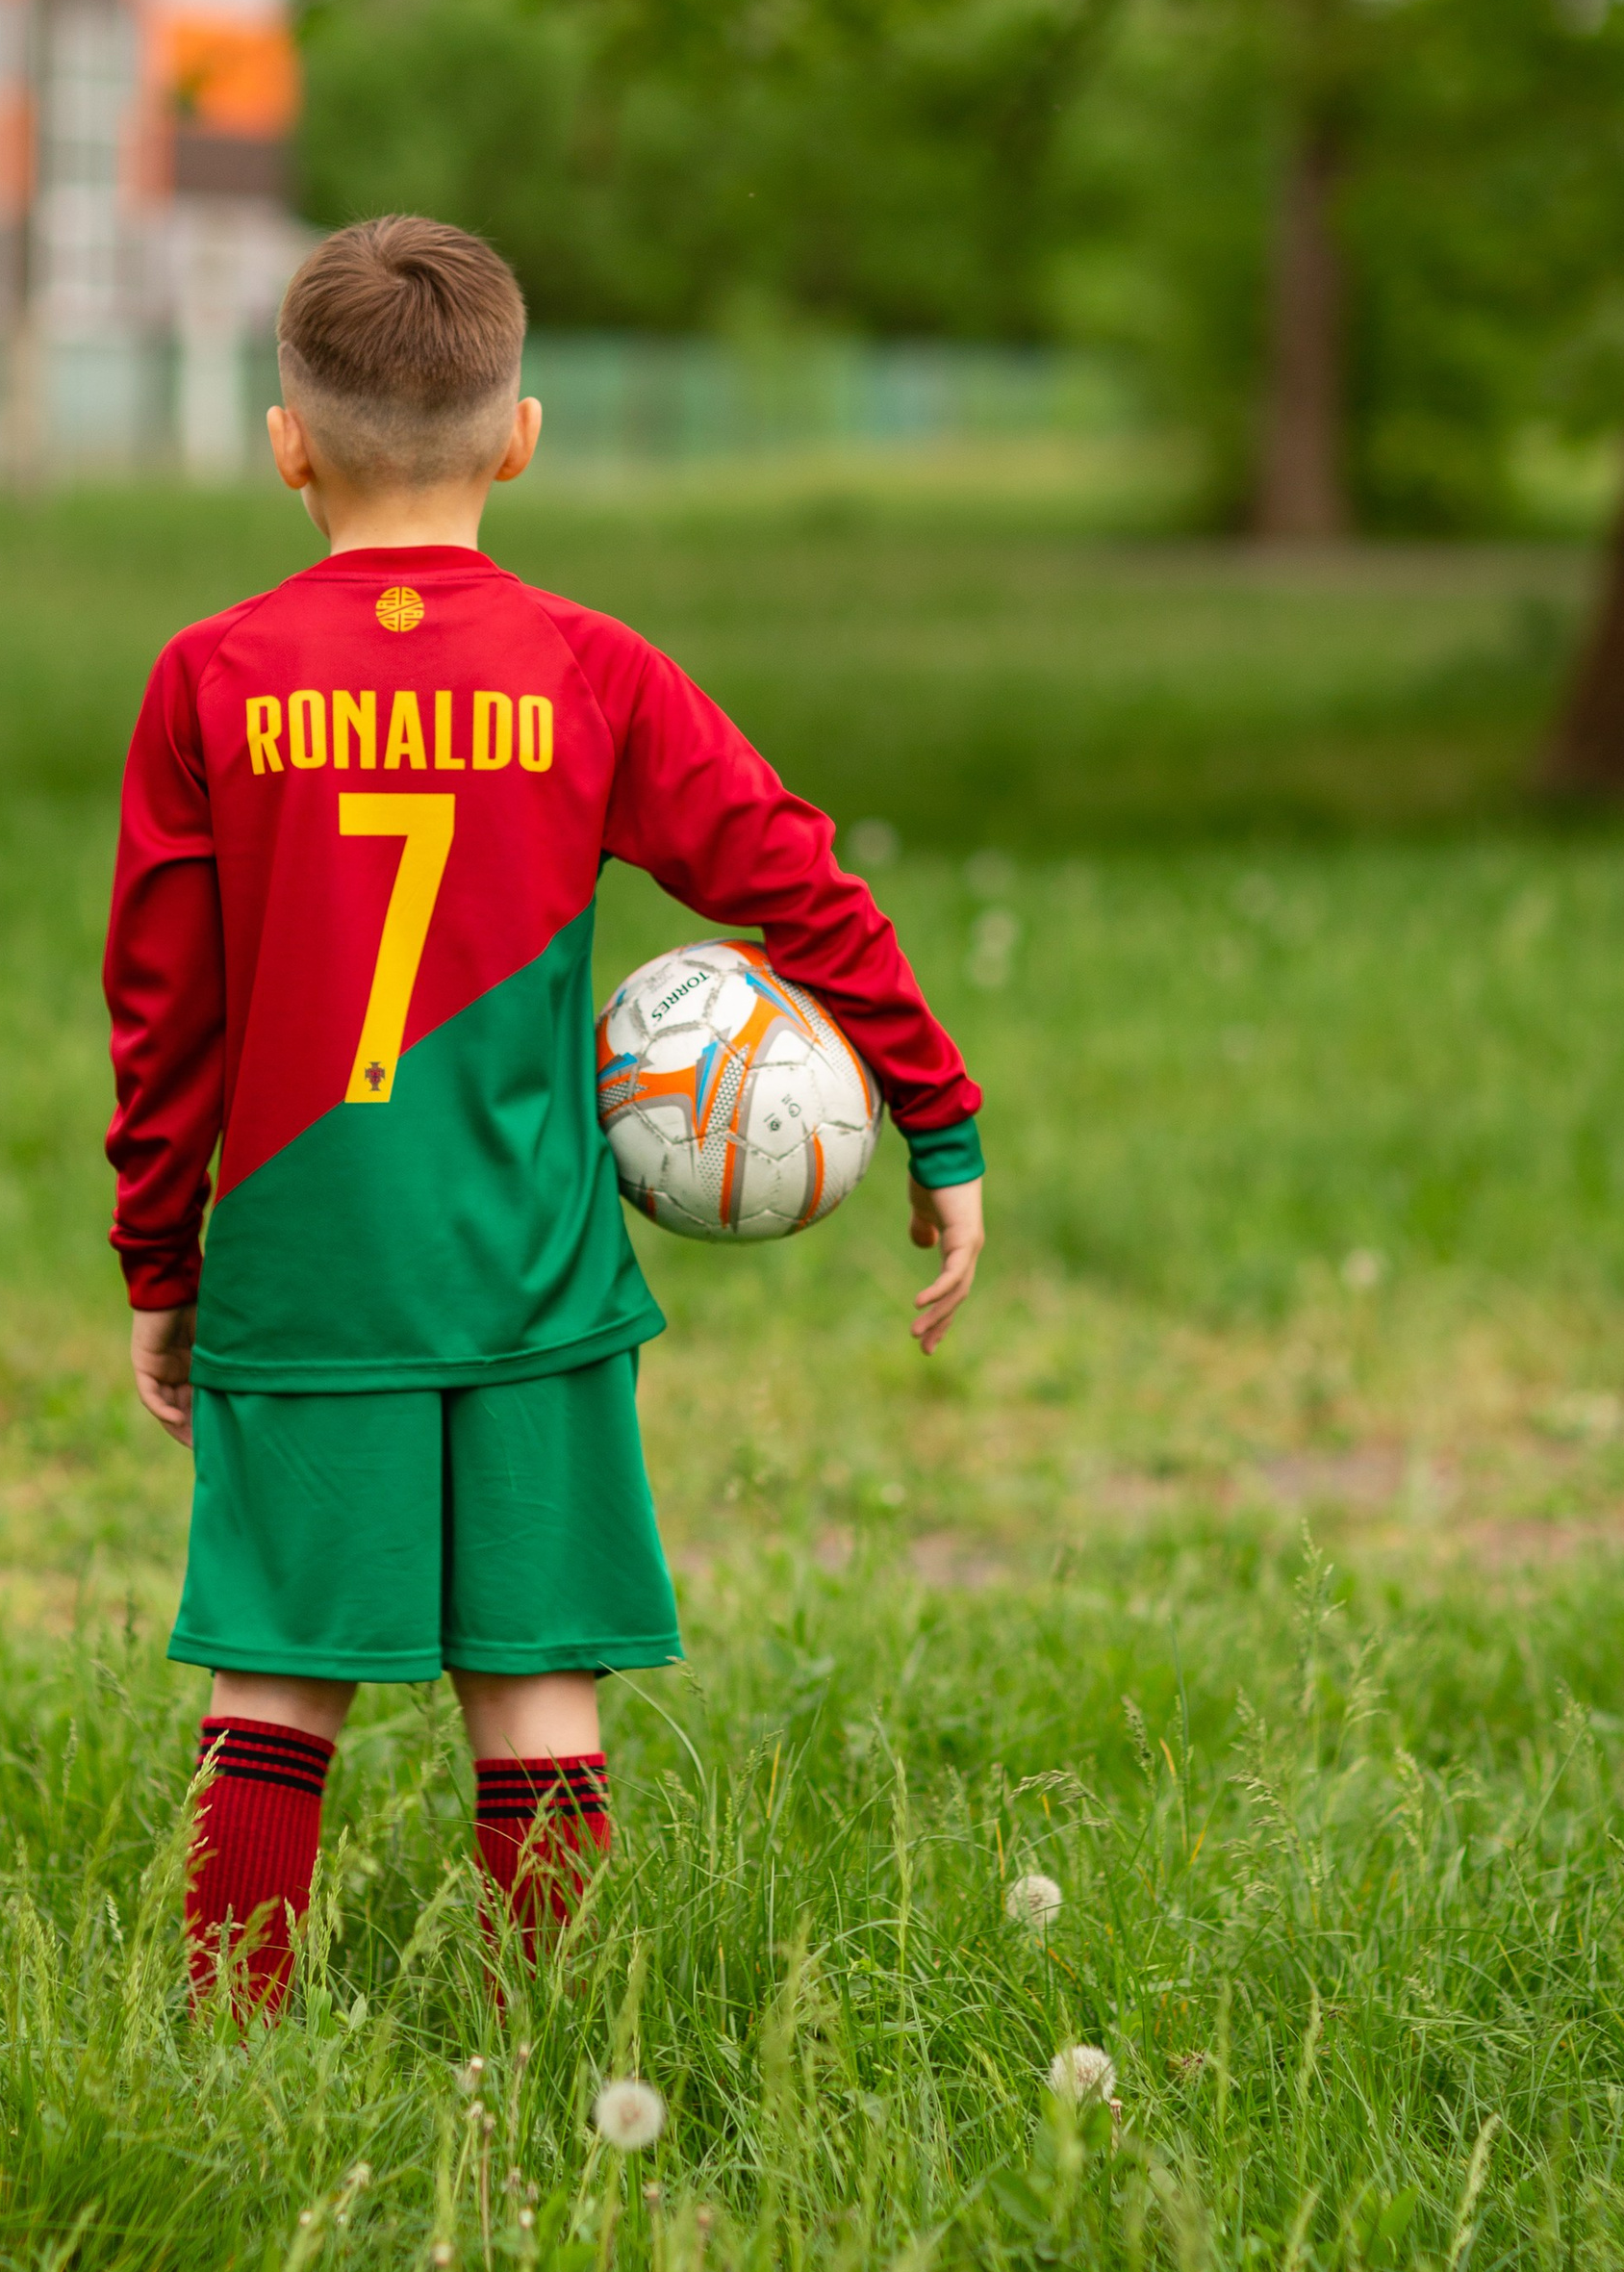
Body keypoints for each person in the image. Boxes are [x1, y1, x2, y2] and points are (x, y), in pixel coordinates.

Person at [102, 215, 986, 2020]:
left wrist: (159, 1254)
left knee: (272, 1679)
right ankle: (552, 2055)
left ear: (286, 441)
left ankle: (227, 2054)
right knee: (537, 1671)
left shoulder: (212, 676)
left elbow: (161, 1011)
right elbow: (796, 881)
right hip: (530, 1264)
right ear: (522, 435)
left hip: (303, 1257)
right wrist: (935, 1113)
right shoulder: (588, 670)